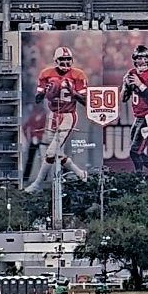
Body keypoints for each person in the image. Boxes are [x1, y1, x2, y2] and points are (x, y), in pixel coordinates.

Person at [24, 46, 89, 193]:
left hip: (68, 116)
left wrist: (73, 92)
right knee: (57, 154)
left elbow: (85, 101)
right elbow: (37, 98)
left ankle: (37, 184)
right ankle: (80, 173)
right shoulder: (46, 74)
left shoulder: (78, 75)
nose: (65, 62)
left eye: (68, 59)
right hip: (53, 115)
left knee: (51, 152)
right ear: (56, 60)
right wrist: (47, 90)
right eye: (62, 59)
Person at [122, 45, 148, 172]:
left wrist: (140, 85)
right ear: (134, 59)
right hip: (138, 117)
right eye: (139, 58)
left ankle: (139, 178)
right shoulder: (131, 73)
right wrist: (125, 86)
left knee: (134, 152)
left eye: (145, 58)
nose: (142, 61)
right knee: (137, 151)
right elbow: (123, 98)